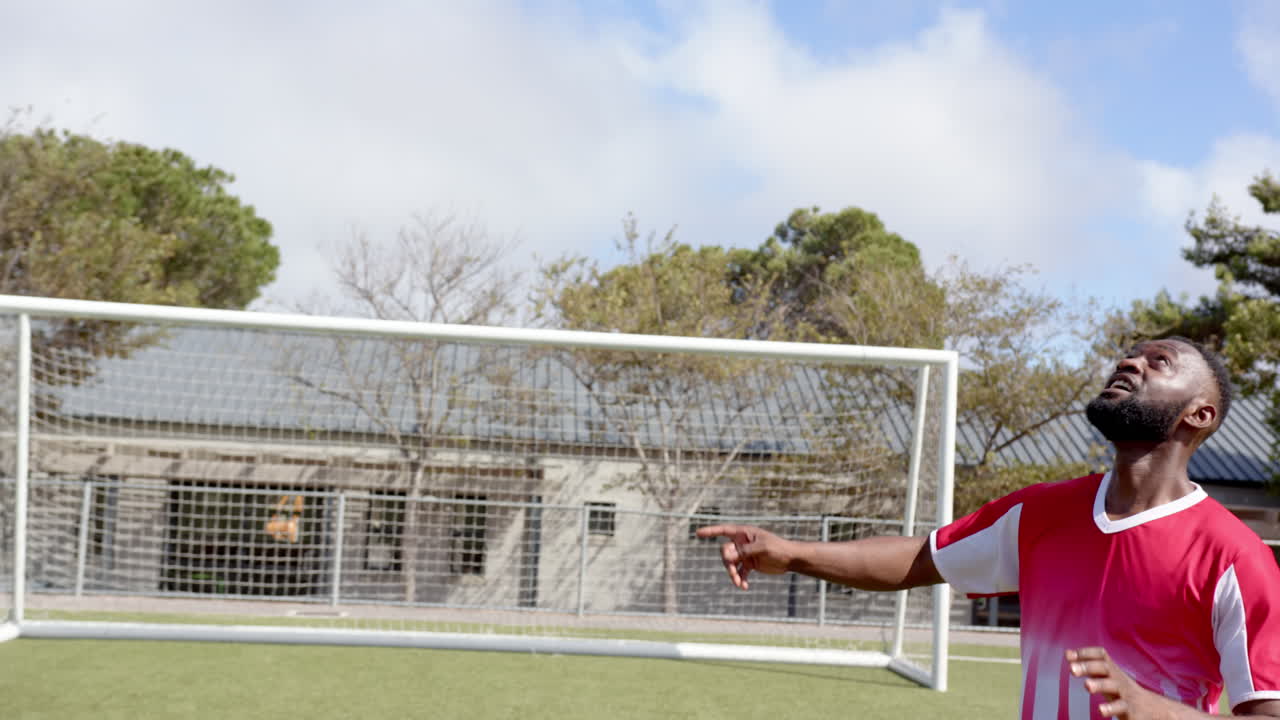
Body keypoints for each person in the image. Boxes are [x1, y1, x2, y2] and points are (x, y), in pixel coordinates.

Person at [698, 337, 1280, 719]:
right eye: (1129, 355)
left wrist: (1151, 708)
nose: (1130, 363)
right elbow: (920, 559)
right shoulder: (1042, 513)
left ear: (1198, 415)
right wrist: (791, 552)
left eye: (1158, 362)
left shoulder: (1236, 556)